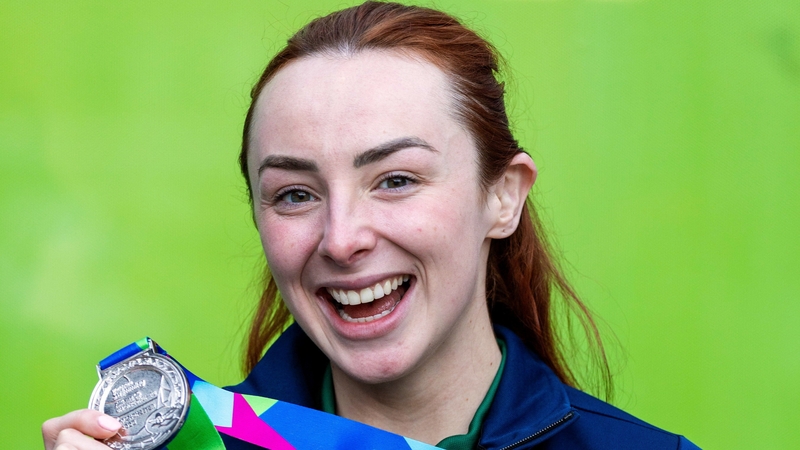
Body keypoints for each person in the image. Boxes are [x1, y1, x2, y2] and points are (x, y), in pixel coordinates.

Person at [42, 2, 699, 449]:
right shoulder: (200, 442)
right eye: (295, 194)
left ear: (503, 196)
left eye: (396, 180)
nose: (341, 238)